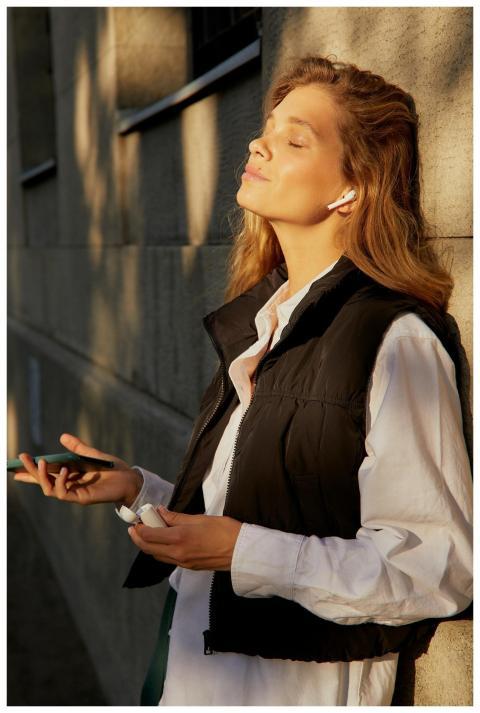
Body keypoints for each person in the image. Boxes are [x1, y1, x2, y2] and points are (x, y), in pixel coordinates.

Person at [14, 55, 473, 706]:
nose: (259, 141)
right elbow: (254, 517)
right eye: (269, 127)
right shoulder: (265, 321)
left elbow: (440, 566)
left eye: (295, 139)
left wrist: (245, 552)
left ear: (351, 188)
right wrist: (139, 488)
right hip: (194, 677)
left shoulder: (394, 340)